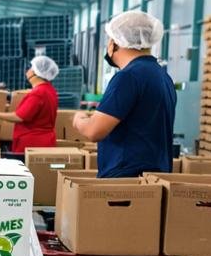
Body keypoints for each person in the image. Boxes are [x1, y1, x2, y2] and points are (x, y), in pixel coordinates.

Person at [71, 10, 175, 177]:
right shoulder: (162, 76)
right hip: (156, 178)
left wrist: (79, 119)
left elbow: (94, 131)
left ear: (116, 42)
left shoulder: (128, 77)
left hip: (126, 180)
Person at [0, 55, 59, 153]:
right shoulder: (50, 90)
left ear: (36, 73)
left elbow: (20, 116)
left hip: (32, 144)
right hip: (46, 142)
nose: (28, 70)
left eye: (31, 67)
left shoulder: (38, 93)